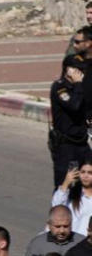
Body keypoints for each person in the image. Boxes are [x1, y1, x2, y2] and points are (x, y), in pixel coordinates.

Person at [48, 57, 86, 187]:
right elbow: (74, 106)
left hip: (82, 143)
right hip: (66, 145)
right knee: (65, 185)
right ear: (67, 69)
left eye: (82, 68)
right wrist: (78, 84)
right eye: (77, 68)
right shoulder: (59, 87)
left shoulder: (82, 86)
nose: (80, 72)